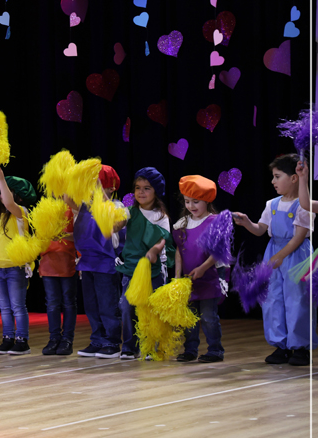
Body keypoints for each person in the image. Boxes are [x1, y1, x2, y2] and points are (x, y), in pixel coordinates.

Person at [233, 154, 315, 366]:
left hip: (296, 256)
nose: (273, 181)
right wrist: (248, 223)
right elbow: (261, 229)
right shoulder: (272, 204)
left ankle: (300, 347)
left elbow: (298, 238)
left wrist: (279, 257)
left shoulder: (303, 206)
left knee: (297, 300)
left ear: (294, 178)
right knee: (272, 298)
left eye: (277, 176)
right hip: (274, 252)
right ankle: (281, 345)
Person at [115, 168, 174, 360]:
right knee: (126, 306)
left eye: (147, 188)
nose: (141, 192)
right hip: (131, 268)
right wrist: (112, 220)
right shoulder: (129, 212)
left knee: (151, 308)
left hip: (154, 270)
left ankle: (151, 345)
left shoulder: (161, 216)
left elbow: (163, 239)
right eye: (137, 188)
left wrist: (154, 251)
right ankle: (129, 346)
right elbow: (116, 226)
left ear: (156, 191)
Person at [71, 166, 125, 359]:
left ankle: (111, 342)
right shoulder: (84, 207)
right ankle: (97, 340)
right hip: (87, 263)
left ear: (110, 187)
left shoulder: (116, 207)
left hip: (106, 263)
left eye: (97, 184)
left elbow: (112, 229)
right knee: (91, 305)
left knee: (107, 305)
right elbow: (67, 197)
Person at [0, 166, 36, 355]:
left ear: (18, 197)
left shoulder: (21, 211)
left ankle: (22, 340)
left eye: (7, 191)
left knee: (17, 306)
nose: (1, 196)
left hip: (15, 267)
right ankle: (7, 338)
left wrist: (1, 180)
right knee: (4, 307)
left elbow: (9, 203)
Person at [173, 176, 225, 363]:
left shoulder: (215, 222)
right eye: (187, 201)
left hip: (209, 275)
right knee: (190, 316)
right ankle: (190, 349)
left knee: (208, 316)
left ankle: (215, 350)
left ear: (207, 200)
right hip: (189, 278)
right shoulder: (182, 223)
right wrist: (177, 276)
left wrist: (203, 268)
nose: (191, 206)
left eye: (196, 201)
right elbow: (179, 251)